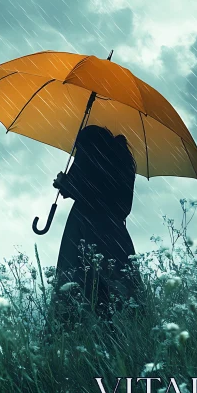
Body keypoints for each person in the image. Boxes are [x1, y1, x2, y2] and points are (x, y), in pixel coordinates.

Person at [48, 125, 146, 329]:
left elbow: (92, 194)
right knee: (121, 296)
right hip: (116, 237)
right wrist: (69, 185)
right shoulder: (119, 161)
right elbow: (111, 200)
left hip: (86, 232)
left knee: (80, 294)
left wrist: (66, 183)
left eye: (79, 149)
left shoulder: (94, 159)